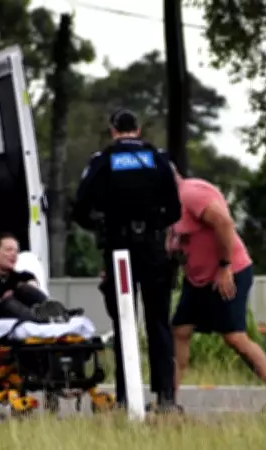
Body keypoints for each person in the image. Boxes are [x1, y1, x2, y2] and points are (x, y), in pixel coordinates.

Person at [72, 109, 182, 412]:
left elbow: (80, 208)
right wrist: (154, 223)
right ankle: (166, 398)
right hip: (153, 250)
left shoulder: (103, 161)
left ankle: (125, 397)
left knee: (124, 322)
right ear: (138, 129)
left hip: (119, 252)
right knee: (159, 323)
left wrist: (103, 226)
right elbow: (174, 209)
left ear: (113, 131)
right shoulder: (157, 159)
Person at [167, 164, 266, 410]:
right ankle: (169, 401)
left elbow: (224, 223)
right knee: (180, 331)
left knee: (234, 337)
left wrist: (225, 267)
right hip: (198, 279)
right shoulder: (168, 205)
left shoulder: (192, 195)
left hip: (229, 272)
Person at [0, 232, 67, 323]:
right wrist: (4, 301)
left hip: (26, 310)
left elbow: (33, 294)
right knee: (9, 304)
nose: (14, 254)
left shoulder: (26, 276)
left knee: (23, 287)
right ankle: (42, 319)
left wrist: (14, 295)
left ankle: (56, 311)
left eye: (16, 251)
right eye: (9, 250)